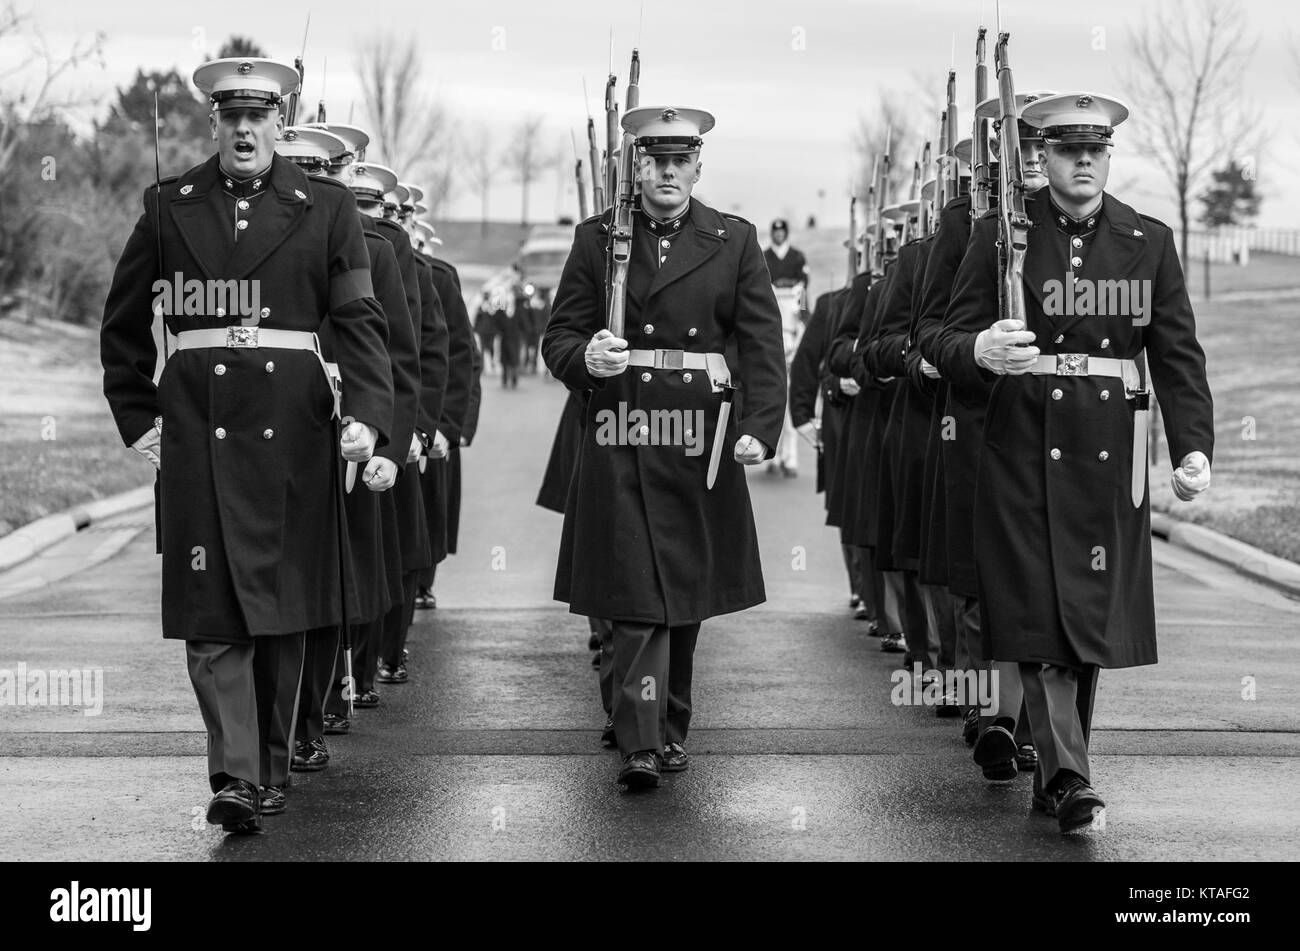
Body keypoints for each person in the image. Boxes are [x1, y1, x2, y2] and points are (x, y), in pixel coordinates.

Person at [100, 58, 393, 833]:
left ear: (276, 122)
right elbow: (123, 324)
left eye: (258, 116)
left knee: (282, 614)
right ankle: (234, 773)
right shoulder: (169, 207)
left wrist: (367, 412)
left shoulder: (325, 207)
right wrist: (140, 417)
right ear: (213, 123)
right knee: (212, 614)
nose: (243, 130)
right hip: (198, 432)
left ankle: (266, 765)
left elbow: (360, 321)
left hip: (292, 432)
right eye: (230, 116)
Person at [933, 93, 1214, 834]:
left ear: (1108, 156)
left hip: (1108, 453)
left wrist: (1192, 445)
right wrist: (979, 351)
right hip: (1023, 444)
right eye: (1065, 148)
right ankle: (1068, 772)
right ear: (1043, 158)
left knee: (1082, 619)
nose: (1082, 160)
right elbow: (940, 333)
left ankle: (1057, 774)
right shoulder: (999, 237)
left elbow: (1177, 354)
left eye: (1095, 148)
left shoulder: (1146, 240)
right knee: (1038, 609)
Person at [542, 105, 787, 790]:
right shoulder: (599, 241)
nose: (668, 171)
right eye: (654, 160)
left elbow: (762, 343)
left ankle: (669, 723)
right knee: (635, 595)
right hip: (621, 425)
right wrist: (586, 356)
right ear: (635, 167)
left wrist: (759, 426)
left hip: (698, 436)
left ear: (699, 166)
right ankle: (641, 741)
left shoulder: (732, 240)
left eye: (680, 160)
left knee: (684, 596)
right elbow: (558, 336)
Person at [764, 217, 810, 477]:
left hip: (793, 313)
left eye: (783, 232)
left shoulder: (798, 257)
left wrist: (804, 316)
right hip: (773, 315)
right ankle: (773, 452)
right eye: (776, 232)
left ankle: (790, 455)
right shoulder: (764, 257)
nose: (779, 236)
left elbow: (803, 293)